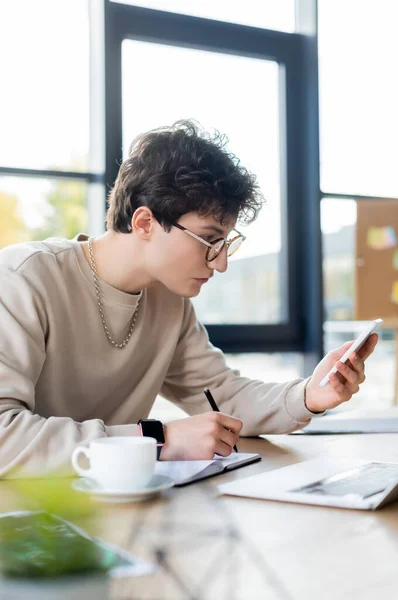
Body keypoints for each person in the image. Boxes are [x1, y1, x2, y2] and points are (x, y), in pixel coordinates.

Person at [0, 120, 377, 478]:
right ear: (144, 222)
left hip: (112, 503)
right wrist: (156, 439)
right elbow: (4, 436)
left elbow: (222, 397)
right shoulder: (23, 279)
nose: (223, 263)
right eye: (209, 240)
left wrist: (310, 393)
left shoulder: (169, 303)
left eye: (226, 242)